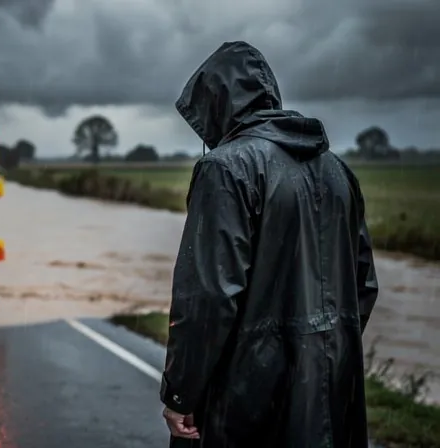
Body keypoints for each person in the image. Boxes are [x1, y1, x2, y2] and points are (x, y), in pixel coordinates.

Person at [160, 41, 379, 447]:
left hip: (246, 402)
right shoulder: (338, 171)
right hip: (331, 392)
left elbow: (207, 297)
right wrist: (321, 353)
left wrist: (180, 394)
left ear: (215, 106)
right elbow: (363, 286)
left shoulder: (224, 168)